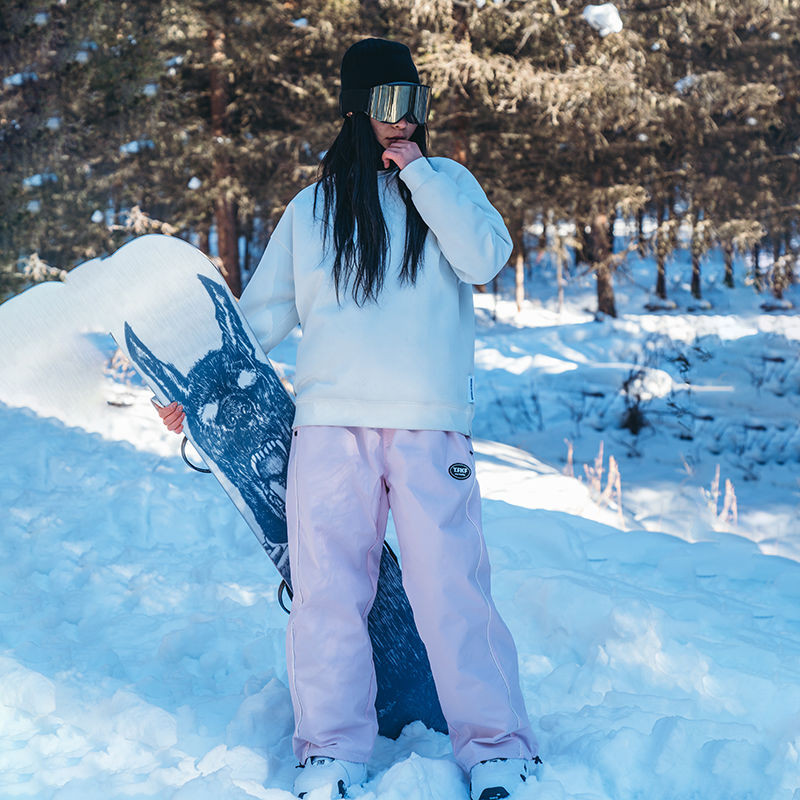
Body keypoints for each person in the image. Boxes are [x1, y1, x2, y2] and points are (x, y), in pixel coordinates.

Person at [156, 37, 539, 800]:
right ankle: (329, 751)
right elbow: (259, 315)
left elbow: (483, 257)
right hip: (330, 429)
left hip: (430, 425)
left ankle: (498, 747)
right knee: (327, 594)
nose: (404, 120)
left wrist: (421, 172)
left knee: (452, 588)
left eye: (415, 103)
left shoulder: (449, 185)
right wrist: (195, 392)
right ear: (356, 110)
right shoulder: (315, 207)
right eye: (389, 105)